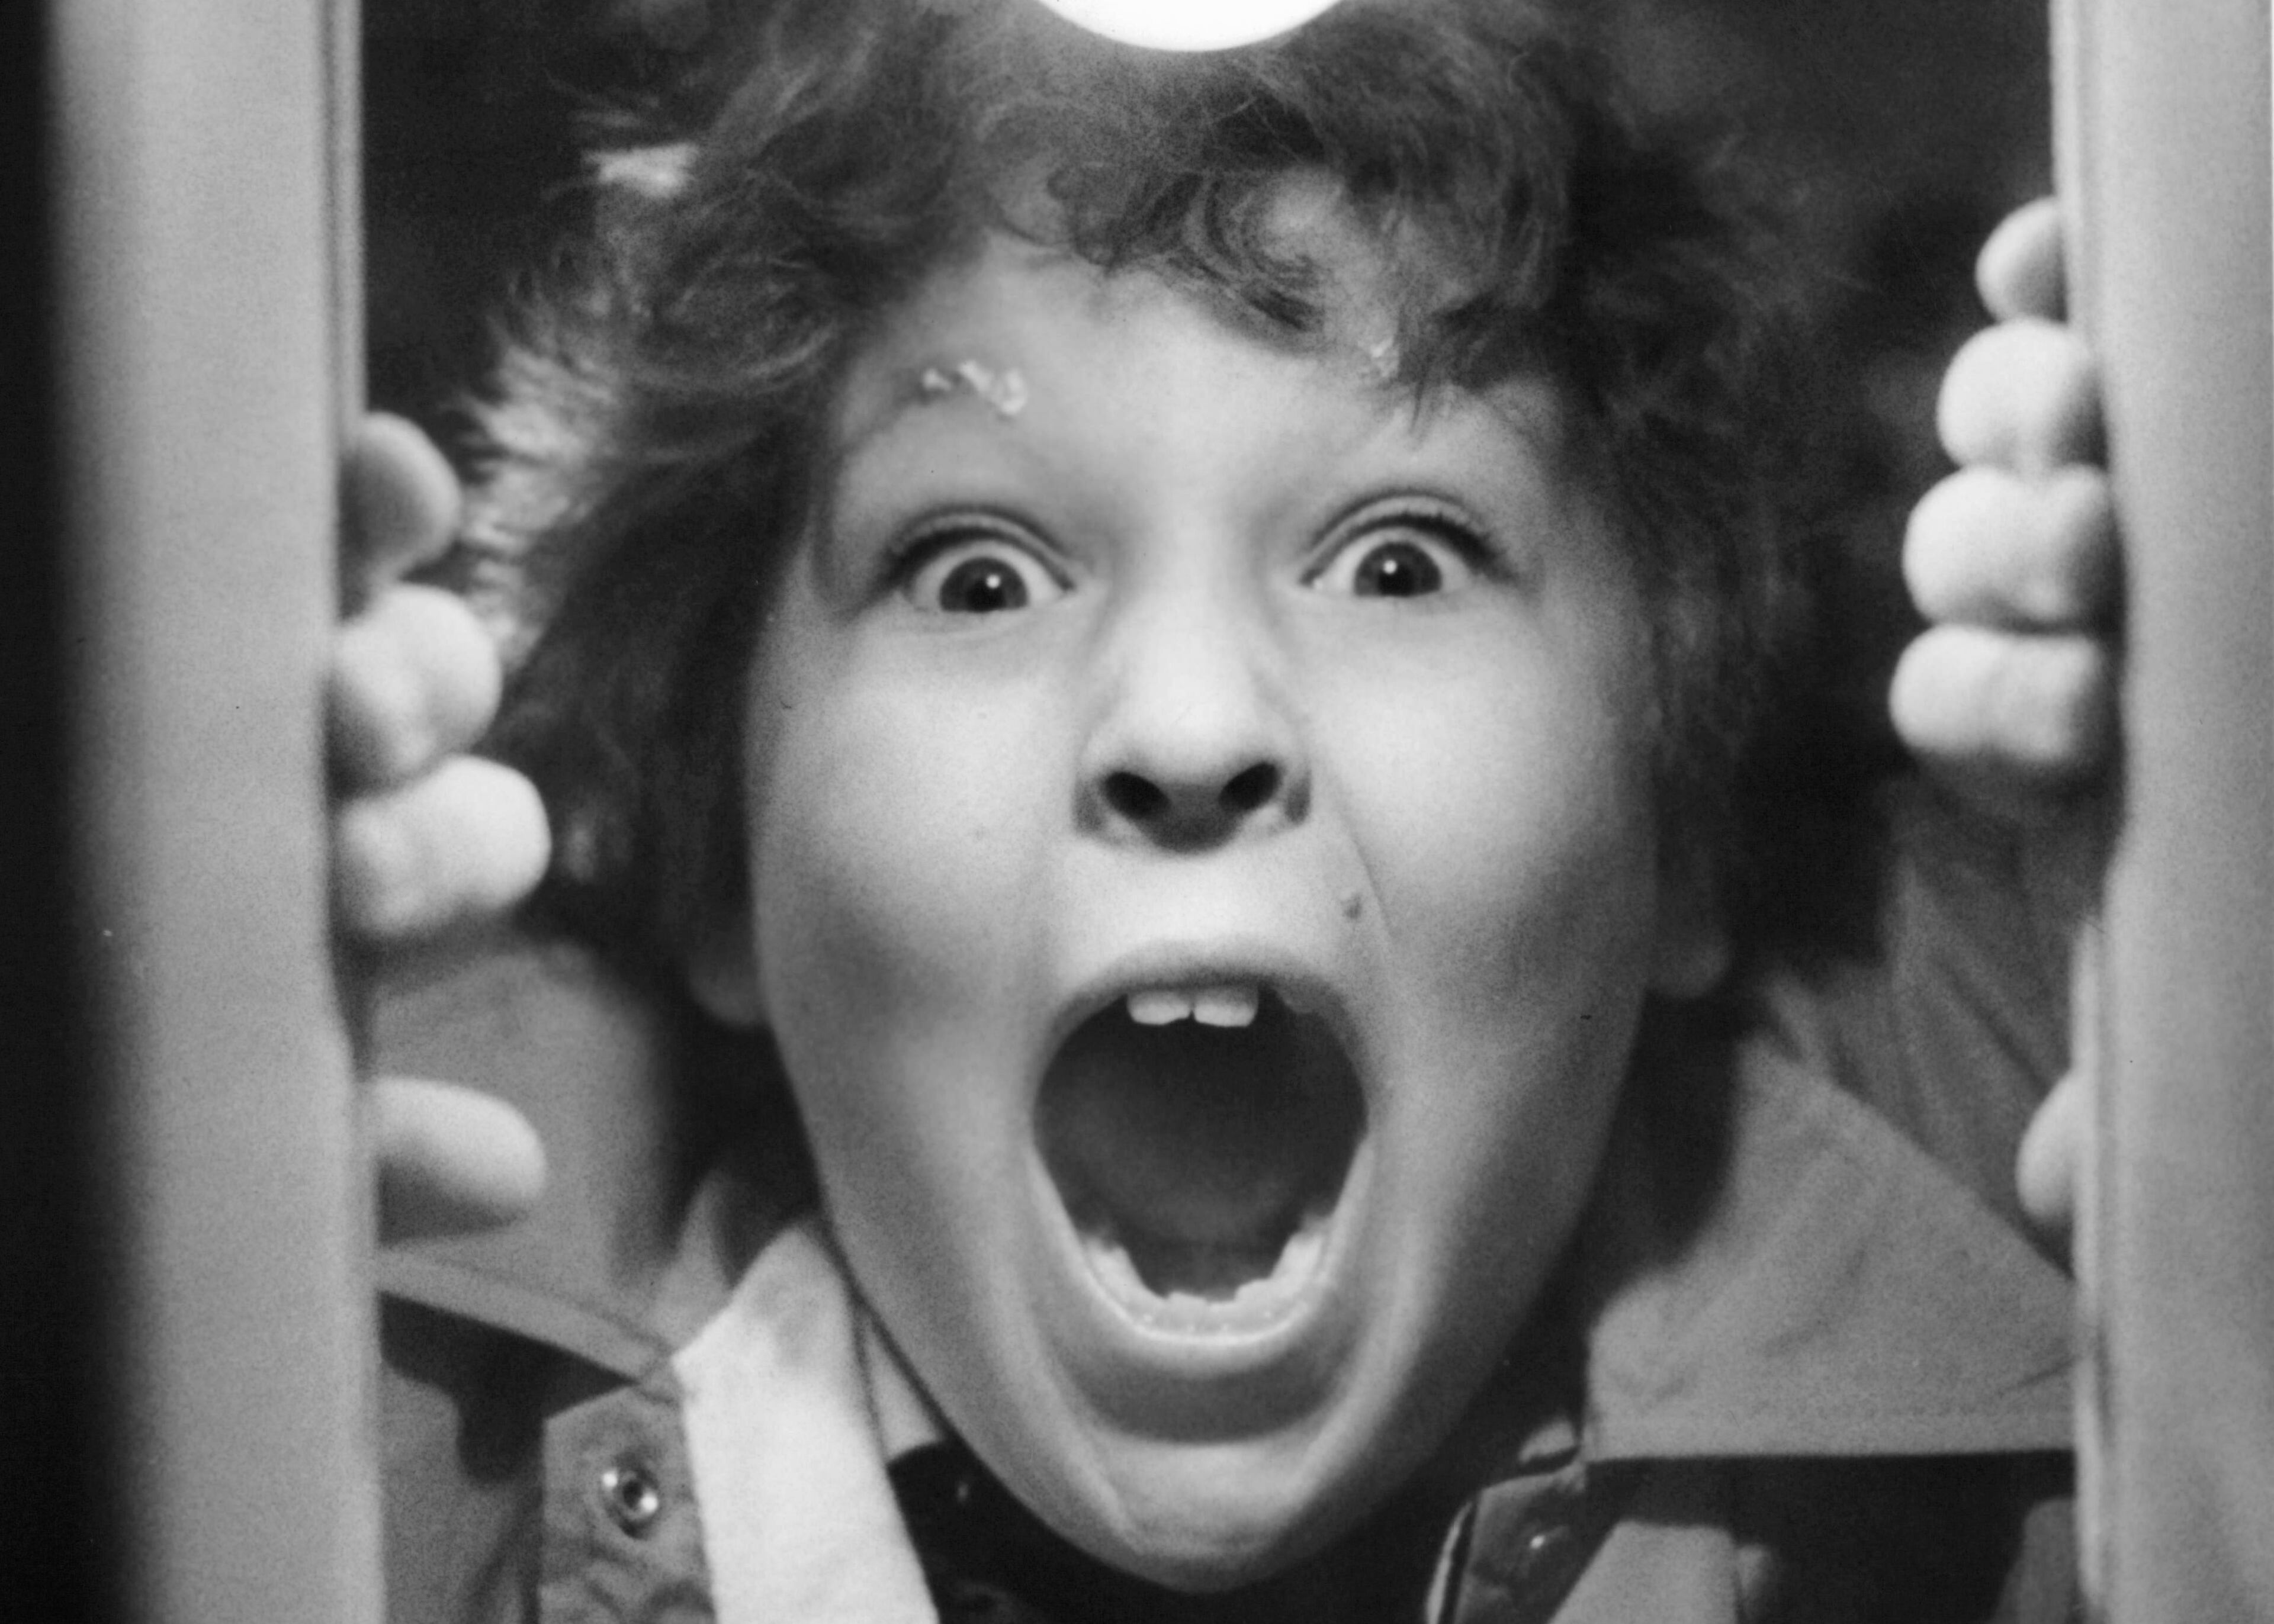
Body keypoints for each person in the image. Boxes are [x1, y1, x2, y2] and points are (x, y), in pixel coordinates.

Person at [331, 4, 2119, 1619]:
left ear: (1681, 838)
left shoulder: (2076, 1393)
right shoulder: (328, 1422)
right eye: (975, 577)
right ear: (728, 858)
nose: (1189, 727)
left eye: (1401, 561)